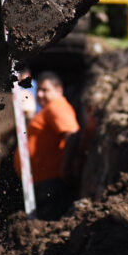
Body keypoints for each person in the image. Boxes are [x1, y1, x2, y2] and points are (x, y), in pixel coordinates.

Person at [14, 71, 80, 217]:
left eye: (45, 90)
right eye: (39, 90)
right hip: (43, 183)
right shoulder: (47, 110)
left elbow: (72, 135)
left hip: (52, 182)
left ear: (59, 90)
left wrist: (64, 169)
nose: (40, 95)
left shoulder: (57, 106)